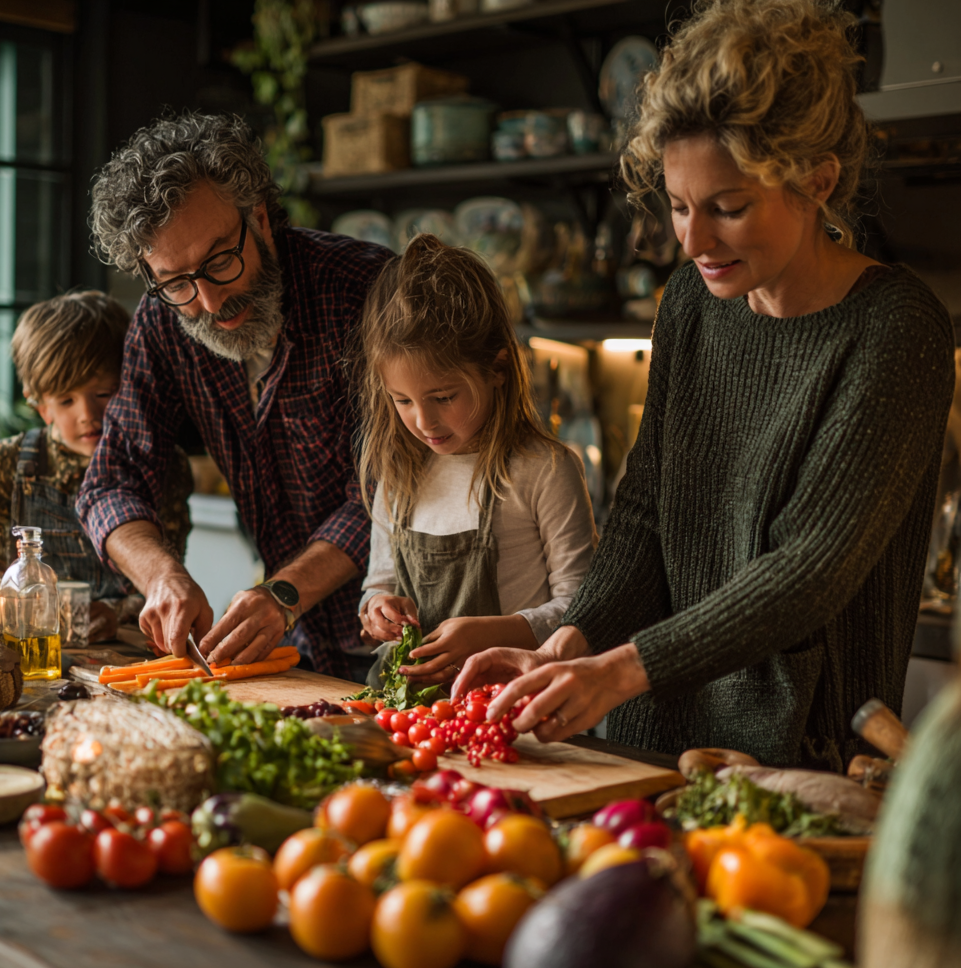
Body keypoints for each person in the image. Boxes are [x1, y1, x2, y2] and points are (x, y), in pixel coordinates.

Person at [453, 0, 956, 771]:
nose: (692, 241)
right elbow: (647, 507)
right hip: (653, 734)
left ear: (817, 181)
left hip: (805, 758)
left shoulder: (896, 330)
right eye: (680, 206)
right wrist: (574, 638)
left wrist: (619, 667)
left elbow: (808, 570)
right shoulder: (692, 302)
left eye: (727, 208)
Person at [78, 113, 392, 676]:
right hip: (304, 651)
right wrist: (162, 576)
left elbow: (389, 490)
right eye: (176, 281)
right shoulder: (162, 320)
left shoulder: (367, 294)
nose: (207, 300)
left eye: (220, 259)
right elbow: (111, 481)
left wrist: (284, 594)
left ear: (262, 219)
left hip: (412, 632)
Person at [356, 235, 597, 688]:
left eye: (444, 396)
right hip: (409, 712)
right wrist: (378, 610)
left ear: (498, 369)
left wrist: (493, 632)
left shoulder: (543, 470)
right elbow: (378, 584)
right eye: (402, 400)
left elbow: (581, 607)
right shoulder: (400, 472)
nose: (424, 421)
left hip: (513, 708)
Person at [0, 291, 193, 642]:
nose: (88, 414)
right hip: (31, 656)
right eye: (67, 400)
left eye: (104, 393)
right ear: (42, 407)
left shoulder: (167, 465)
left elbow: (167, 585)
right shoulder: (4, 465)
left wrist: (114, 615)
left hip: (132, 656)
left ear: (131, 389)